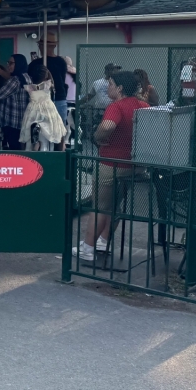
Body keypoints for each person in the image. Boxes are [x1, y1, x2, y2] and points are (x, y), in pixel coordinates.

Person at [72, 70, 149, 262]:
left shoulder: (116, 107)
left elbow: (106, 126)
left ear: (120, 88)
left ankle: (88, 248)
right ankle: (103, 242)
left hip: (110, 163)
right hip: (133, 164)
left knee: (100, 207)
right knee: (115, 205)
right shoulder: (143, 106)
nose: (108, 87)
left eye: (112, 84)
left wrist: (98, 137)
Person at [21, 61, 68, 150]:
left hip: (33, 109)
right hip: (48, 109)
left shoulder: (29, 87)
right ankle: (56, 149)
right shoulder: (47, 85)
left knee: (26, 129)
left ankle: (29, 147)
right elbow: (52, 81)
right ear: (45, 76)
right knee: (57, 129)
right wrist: (48, 72)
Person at [0, 53, 31, 150]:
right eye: (8, 63)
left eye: (11, 63)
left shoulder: (15, 81)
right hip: (22, 120)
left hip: (11, 121)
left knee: (14, 150)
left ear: (18, 64)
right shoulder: (27, 77)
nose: (8, 65)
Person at [42, 34, 70, 127]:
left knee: (46, 130)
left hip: (46, 98)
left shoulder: (37, 63)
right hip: (59, 96)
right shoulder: (61, 61)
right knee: (59, 128)